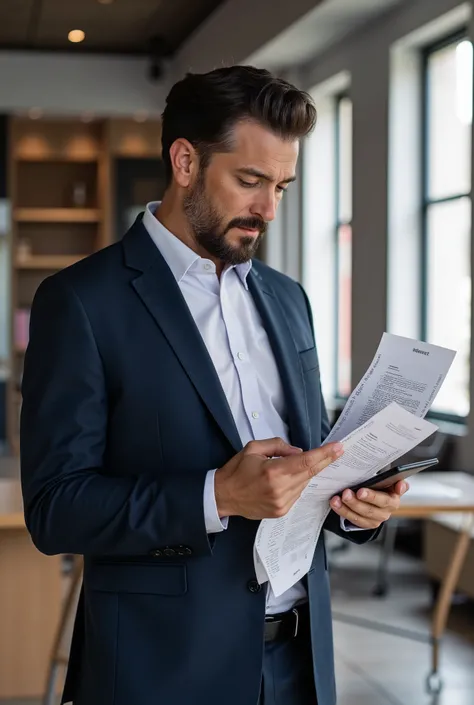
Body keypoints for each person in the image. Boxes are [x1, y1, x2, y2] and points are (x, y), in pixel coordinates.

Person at [20, 65, 407, 705]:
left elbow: (303, 463)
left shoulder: (289, 300)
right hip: (160, 671)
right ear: (184, 162)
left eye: (282, 185)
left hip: (299, 668)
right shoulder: (81, 302)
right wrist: (216, 495)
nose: (269, 209)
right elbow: (56, 510)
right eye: (250, 181)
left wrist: (356, 505)